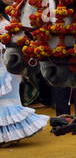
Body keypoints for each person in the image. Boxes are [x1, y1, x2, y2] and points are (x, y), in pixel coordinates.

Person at [0, 16, 47, 147]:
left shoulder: (6, 26)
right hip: (5, 69)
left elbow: (10, 48)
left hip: (6, 69)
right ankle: (6, 136)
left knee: (8, 102)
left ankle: (11, 136)